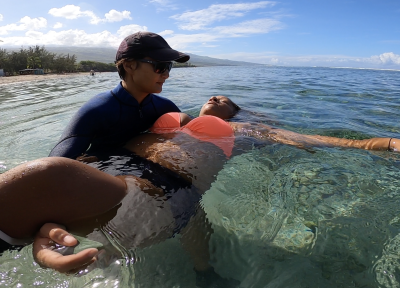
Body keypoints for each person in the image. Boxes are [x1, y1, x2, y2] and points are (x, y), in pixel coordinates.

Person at [1, 96, 398, 276]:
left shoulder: (248, 129)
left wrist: (387, 143)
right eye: (212, 96)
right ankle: (43, 239)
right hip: (121, 183)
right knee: (49, 192)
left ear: (232, 112)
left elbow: (344, 144)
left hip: (153, 194)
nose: (215, 98)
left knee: (47, 174)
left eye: (223, 100)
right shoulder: (165, 117)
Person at [49, 31, 189, 159]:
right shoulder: (97, 111)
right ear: (129, 66)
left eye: (168, 66)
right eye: (160, 67)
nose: (166, 75)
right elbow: (55, 165)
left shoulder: (165, 107)